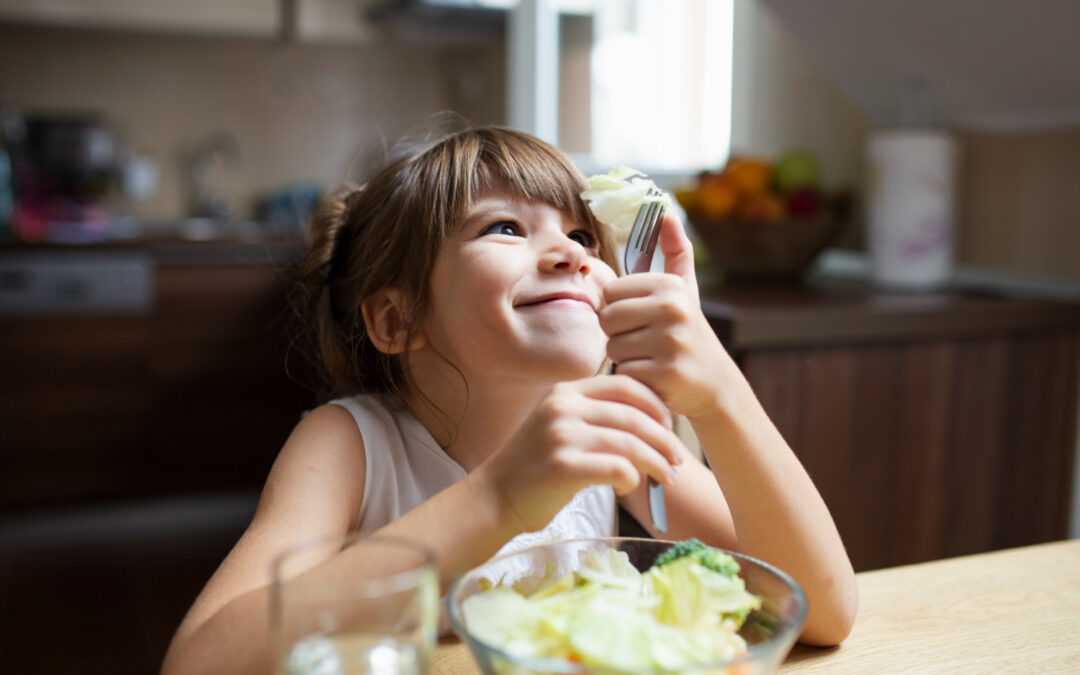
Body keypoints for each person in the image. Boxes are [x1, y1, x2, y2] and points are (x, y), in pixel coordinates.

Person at [161, 126, 857, 674]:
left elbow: (824, 609)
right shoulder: (348, 444)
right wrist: (500, 496)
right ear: (395, 321)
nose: (571, 254)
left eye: (582, 235)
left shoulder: (615, 431)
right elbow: (198, 663)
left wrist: (720, 394)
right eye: (505, 228)